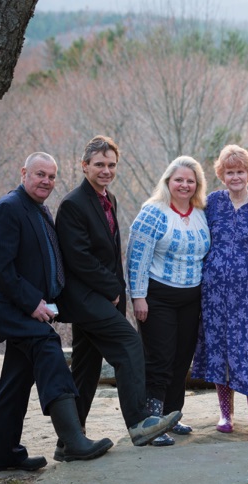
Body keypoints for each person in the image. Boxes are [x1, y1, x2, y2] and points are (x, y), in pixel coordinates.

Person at [0, 152, 113, 472]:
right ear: (24, 173)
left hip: (30, 307)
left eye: (51, 177)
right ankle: (72, 441)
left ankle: (3, 455)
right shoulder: (8, 208)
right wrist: (32, 303)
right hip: (12, 308)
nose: (47, 182)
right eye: (40, 174)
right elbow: (0, 267)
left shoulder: (39, 209)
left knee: (16, 379)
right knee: (48, 346)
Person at [56, 135, 181, 448]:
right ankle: (139, 422)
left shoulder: (108, 198)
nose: (106, 170)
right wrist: (113, 288)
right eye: (99, 164)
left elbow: (110, 253)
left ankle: (69, 441)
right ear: (84, 166)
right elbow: (78, 257)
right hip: (85, 298)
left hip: (104, 298)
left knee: (86, 368)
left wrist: (116, 294)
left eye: (111, 165)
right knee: (129, 344)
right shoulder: (72, 204)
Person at [192, 145, 248, 441]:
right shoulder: (212, 203)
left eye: (240, 171)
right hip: (212, 293)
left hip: (246, 295)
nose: (235, 177)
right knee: (219, 351)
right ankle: (226, 413)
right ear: (222, 175)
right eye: (230, 172)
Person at [126, 155, 211, 446]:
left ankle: (172, 416)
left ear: (197, 185)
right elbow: (137, 257)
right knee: (159, 359)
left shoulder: (201, 213)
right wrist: (138, 297)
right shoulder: (153, 212)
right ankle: (152, 423)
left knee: (181, 359)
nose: (184, 185)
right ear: (167, 182)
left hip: (191, 299)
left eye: (190, 181)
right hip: (158, 297)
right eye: (179, 180)